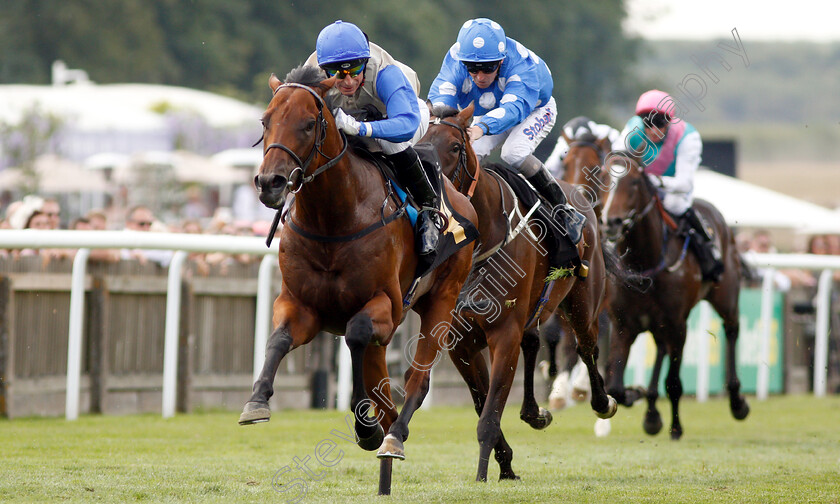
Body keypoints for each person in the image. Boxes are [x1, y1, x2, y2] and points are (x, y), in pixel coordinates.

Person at [427, 18, 585, 244]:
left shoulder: (522, 66)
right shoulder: (456, 58)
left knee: (513, 153)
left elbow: (513, 109)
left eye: (488, 68)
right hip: (493, 109)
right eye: (472, 68)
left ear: (501, 61)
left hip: (533, 109)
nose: (480, 76)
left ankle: (564, 209)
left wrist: (481, 127)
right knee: (469, 151)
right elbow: (441, 100)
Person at [303, 20, 439, 258]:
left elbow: (406, 125)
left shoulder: (386, 73)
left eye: (355, 72)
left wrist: (360, 128)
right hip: (355, 118)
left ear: (365, 63)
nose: (347, 81)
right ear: (324, 69)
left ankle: (429, 208)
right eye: (337, 74)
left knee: (389, 141)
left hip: (400, 115)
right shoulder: (312, 73)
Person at [613, 89, 723, 281]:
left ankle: (707, 250)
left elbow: (684, 183)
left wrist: (656, 181)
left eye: (660, 124)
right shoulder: (632, 130)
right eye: (648, 124)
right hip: (641, 187)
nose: (653, 130)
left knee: (675, 205)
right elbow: (615, 162)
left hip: (673, 190)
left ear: (670, 122)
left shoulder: (687, 137)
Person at [545, 116, 620, 178]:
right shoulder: (564, 143)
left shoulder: (605, 133)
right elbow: (551, 168)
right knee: (553, 164)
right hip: (568, 143)